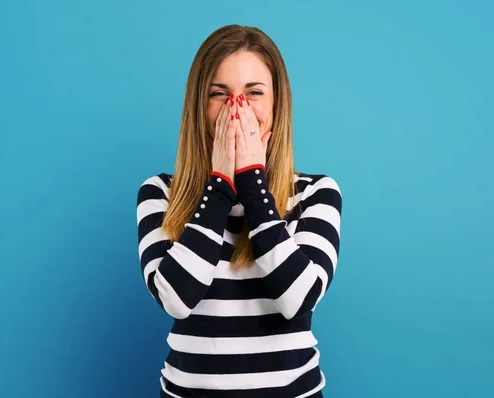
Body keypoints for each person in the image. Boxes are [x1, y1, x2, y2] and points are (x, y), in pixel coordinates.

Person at [136, 24, 343, 398]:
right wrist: (219, 184)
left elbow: (296, 298)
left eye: (254, 92)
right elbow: (176, 299)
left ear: (277, 104)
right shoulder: (160, 193)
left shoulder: (316, 193)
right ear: (198, 107)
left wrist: (253, 182)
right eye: (219, 94)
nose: (237, 108)